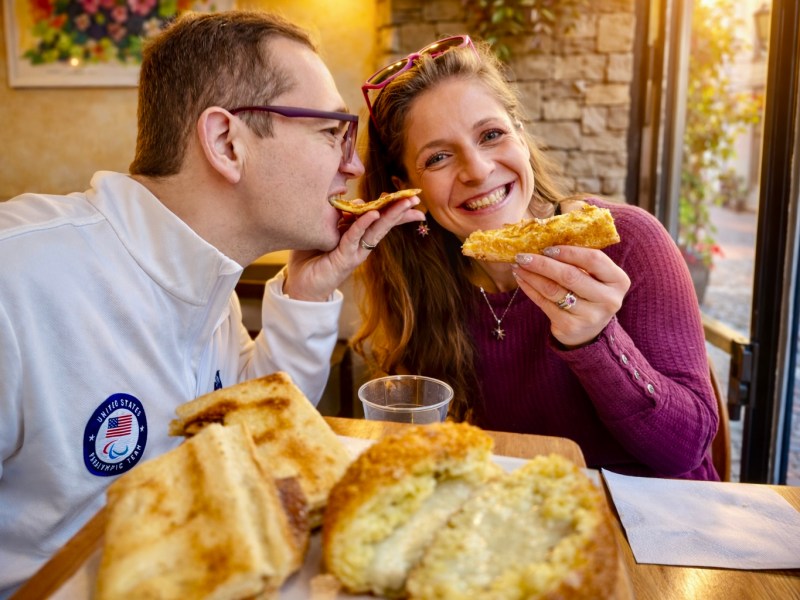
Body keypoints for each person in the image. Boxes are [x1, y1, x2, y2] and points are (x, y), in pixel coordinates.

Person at [0, 10, 423, 596]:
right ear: (227, 142)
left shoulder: (206, 277)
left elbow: (251, 431)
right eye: (332, 131)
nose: (353, 165)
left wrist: (308, 291)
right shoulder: (15, 279)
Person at [353, 35, 720, 482]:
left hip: (653, 530)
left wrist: (594, 340)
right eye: (439, 157)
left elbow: (686, 450)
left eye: (491, 135)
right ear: (409, 189)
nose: (478, 170)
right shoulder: (419, 286)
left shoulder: (628, 242)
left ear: (521, 138)